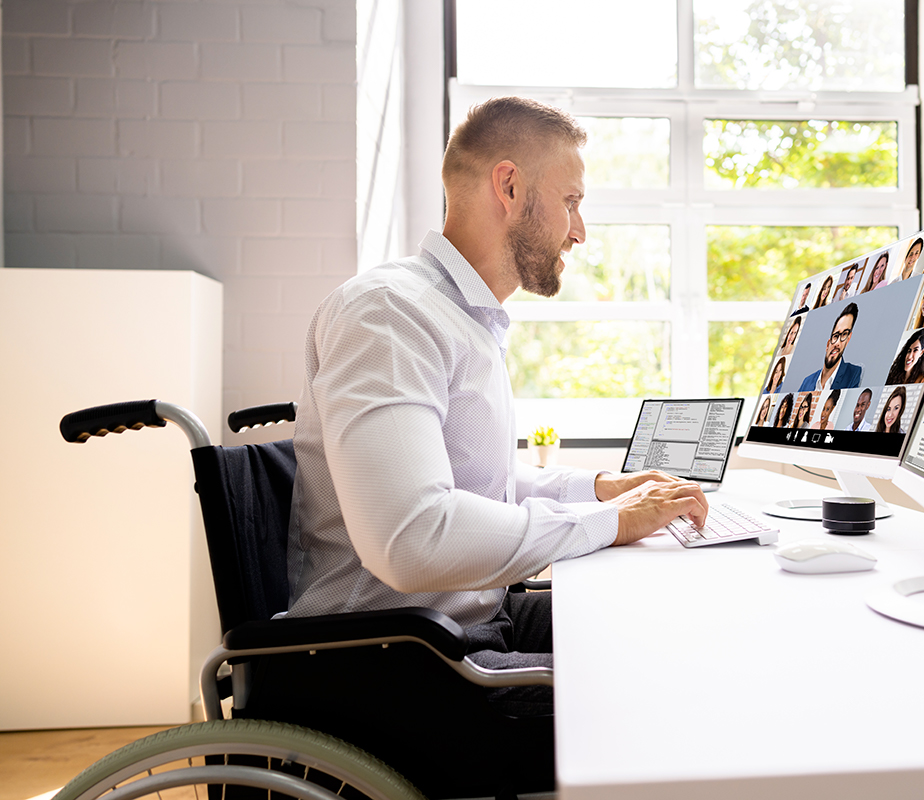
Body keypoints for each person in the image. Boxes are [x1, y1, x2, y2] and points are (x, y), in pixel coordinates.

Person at [279, 97, 708, 794]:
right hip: (391, 670)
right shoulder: (390, 313)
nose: (581, 231)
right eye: (571, 201)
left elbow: (477, 492)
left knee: (665, 635)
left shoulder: (456, 317)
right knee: (668, 714)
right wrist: (608, 524)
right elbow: (415, 538)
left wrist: (601, 492)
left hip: (456, 630)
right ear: (509, 187)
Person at [799, 303, 863, 392]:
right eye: (836, 336)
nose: (837, 343)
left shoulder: (853, 374)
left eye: (844, 334)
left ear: (848, 340)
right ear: (828, 344)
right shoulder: (807, 382)